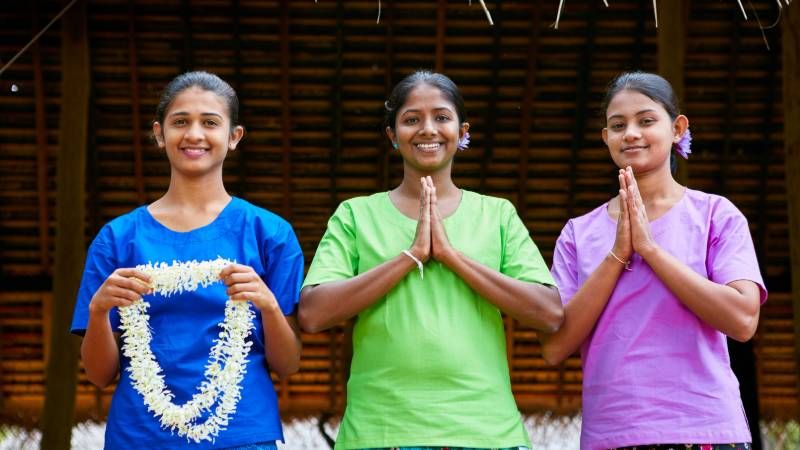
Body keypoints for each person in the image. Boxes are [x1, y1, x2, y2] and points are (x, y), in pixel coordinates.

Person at [298, 70, 563, 450]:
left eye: (441, 117)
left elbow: (549, 314)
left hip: (485, 431)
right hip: (379, 431)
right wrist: (411, 256)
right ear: (392, 135)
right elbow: (312, 314)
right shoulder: (355, 215)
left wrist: (452, 257)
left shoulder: (497, 215)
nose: (427, 129)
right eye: (411, 119)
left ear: (462, 131)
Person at [70, 71, 304, 449]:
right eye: (180, 122)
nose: (194, 134)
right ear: (160, 134)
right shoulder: (117, 238)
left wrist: (268, 305)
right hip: (139, 438)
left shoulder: (270, 233)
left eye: (210, 123)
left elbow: (288, 364)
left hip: (242, 435)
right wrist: (98, 311)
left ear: (234, 136)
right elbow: (99, 376)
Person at [542, 71, 767, 450]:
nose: (631, 133)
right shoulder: (578, 233)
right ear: (606, 137)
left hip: (707, 429)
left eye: (646, 121)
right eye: (618, 125)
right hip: (611, 434)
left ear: (677, 129)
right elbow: (553, 347)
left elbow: (744, 321)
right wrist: (618, 254)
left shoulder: (716, 214)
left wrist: (650, 250)